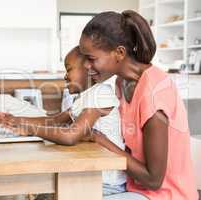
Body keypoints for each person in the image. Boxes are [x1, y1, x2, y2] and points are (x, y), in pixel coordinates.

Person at [79, 10, 198, 200]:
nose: (85, 65)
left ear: (119, 53)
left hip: (165, 195)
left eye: (91, 59)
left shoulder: (154, 93)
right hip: (134, 188)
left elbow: (153, 180)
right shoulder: (121, 82)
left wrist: (102, 141)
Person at [0, 46, 127, 196]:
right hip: (92, 174)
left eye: (69, 69)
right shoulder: (84, 97)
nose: (65, 76)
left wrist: (29, 129)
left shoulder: (100, 94)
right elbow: (55, 121)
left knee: (43, 193)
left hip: (105, 183)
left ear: (89, 69)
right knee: (42, 192)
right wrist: (14, 120)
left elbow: (70, 136)